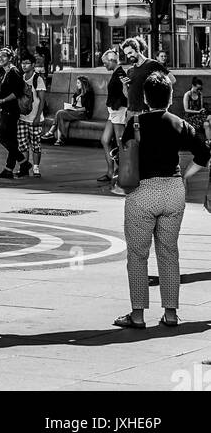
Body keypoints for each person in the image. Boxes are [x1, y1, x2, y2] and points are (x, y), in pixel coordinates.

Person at [113, 71, 210, 330]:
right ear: (170, 97)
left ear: (145, 97)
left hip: (143, 191)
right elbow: (204, 154)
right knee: (169, 253)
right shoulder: (179, 123)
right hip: (173, 190)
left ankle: (137, 315)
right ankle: (170, 313)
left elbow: (126, 156)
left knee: (137, 255)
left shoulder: (135, 124)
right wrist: (186, 176)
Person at [99, 49, 128, 191]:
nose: (104, 65)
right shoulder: (117, 73)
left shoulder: (121, 73)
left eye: (105, 63)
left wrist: (124, 103)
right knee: (105, 140)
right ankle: (111, 171)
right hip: (114, 110)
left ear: (112, 60)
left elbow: (128, 89)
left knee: (120, 141)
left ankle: (121, 172)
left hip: (119, 110)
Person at [0, 48, 23, 178]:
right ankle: (8, 169)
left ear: (10, 58)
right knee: (11, 140)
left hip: (11, 110)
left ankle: (23, 161)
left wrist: (2, 100)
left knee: (3, 138)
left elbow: (18, 93)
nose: (0, 58)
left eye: (4, 56)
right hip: (6, 109)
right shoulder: (4, 72)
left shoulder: (13, 72)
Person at [16, 52, 47, 178]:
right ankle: (24, 167)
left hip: (34, 117)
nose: (24, 65)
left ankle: (36, 168)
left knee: (35, 144)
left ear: (33, 65)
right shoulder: (20, 77)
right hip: (22, 117)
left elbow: (42, 100)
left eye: (27, 63)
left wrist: (37, 117)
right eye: (23, 63)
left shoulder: (37, 79)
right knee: (23, 144)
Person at [41, 75, 94, 144]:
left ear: (83, 84)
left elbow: (87, 108)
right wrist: (72, 105)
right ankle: (60, 139)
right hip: (74, 112)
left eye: (78, 83)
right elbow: (73, 103)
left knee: (60, 113)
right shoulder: (77, 93)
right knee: (61, 116)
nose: (76, 84)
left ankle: (51, 132)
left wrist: (76, 110)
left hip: (83, 113)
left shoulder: (89, 94)